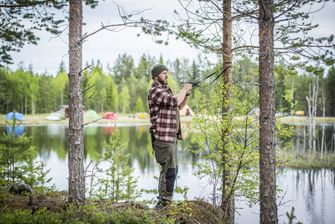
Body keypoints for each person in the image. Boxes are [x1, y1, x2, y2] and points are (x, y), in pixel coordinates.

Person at [147, 64, 192, 209]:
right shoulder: (155, 90)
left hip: (170, 137)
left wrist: (187, 94)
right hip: (162, 137)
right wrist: (184, 89)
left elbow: (179, 105)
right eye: (164, 73)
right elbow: (174, 101)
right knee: (167, 170)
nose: (166, 75)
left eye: (167, 73)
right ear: (156, 76)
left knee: (172, 170)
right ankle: (163, 203)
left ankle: (166, 201)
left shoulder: (165, 90)